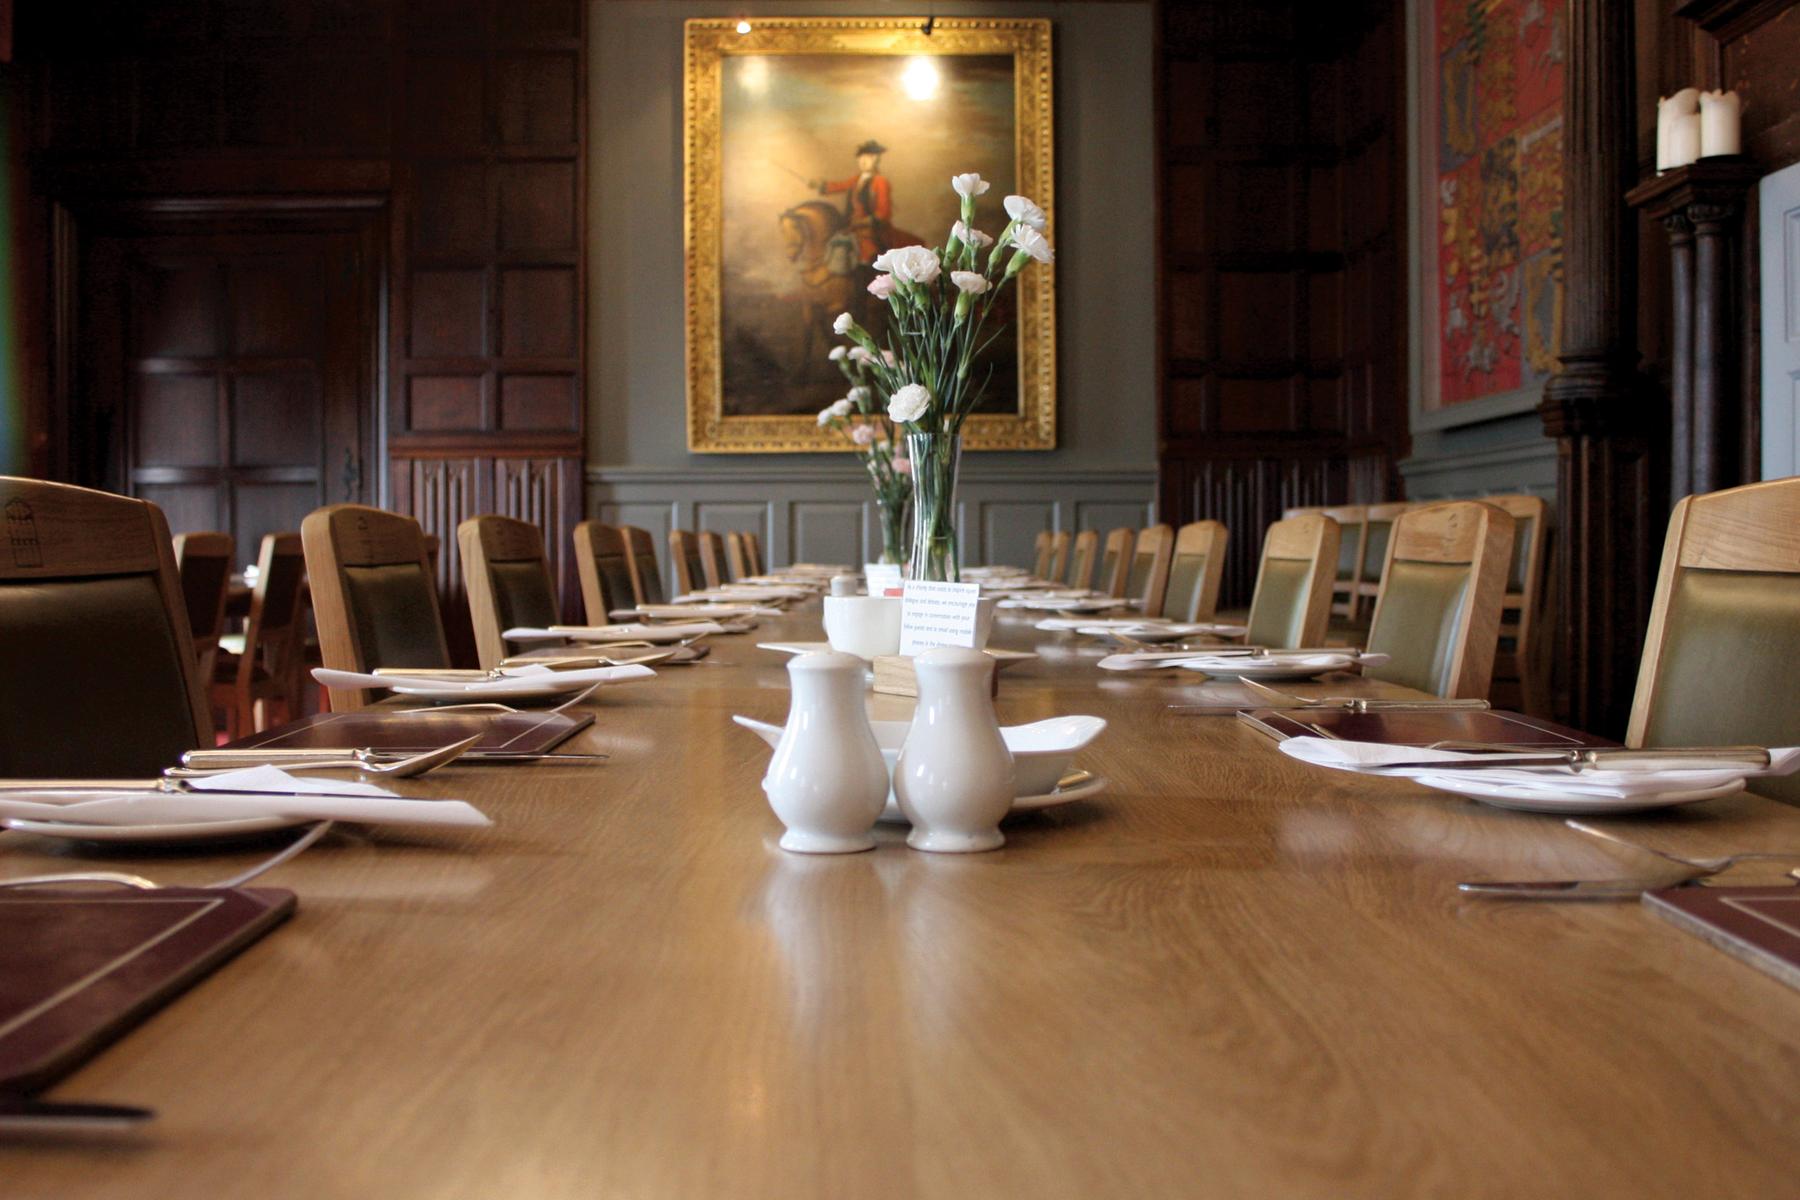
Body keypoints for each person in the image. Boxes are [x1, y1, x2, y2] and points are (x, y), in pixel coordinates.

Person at [809, 140, 897, 267]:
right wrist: (820, 185)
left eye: (869, 157)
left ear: (876, 159)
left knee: (866, 256)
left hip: (872, 230)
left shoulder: (880, 182)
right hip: (852, 227)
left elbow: (883, 213)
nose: (864, 161)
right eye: (861, 157)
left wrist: (862, 222)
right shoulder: (857, 179)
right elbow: (839, 186)